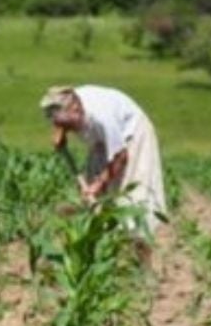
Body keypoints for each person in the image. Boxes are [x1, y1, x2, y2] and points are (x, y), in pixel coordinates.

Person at [40, 85, 166, 236]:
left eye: (70, 125)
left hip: (132, 135)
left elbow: (120, 156)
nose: (71, 129)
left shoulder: (102, 117)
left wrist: (98, 183)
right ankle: (105, 238)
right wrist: (60, 130)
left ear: (76, 110)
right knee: (96, 198)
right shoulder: (67, 102)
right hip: (100, 139)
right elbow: (57, 113)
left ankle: (137, 245)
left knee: (132, 197)